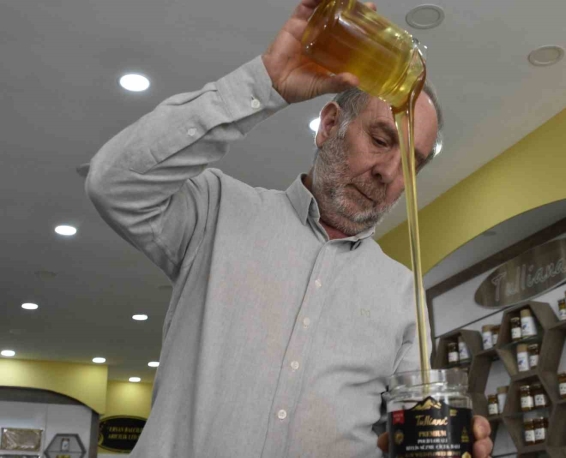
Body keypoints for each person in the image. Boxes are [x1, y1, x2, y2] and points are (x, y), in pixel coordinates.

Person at [86, 0, 494, 456]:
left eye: (411, 166)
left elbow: (408, 426)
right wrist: (266, 82)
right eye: (381, 140)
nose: (388, 173)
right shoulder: (217, 211)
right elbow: (114, 183)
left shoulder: (401, 293)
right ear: (329, 125)